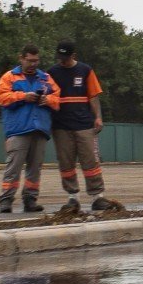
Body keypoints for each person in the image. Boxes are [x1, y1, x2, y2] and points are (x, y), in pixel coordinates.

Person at [48, 40, 112, 210]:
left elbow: (93, 96)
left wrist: (98, 117)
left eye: (66, 57)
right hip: (61, 125)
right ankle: (72, 197)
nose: (62, 61)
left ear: (73, 56)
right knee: (66, 163)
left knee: (90, 161)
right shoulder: (52, 73)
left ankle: (97, 197)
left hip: (84, 124)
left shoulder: (85, 70)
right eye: (60, 57)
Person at [0, 44, 59, 213]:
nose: (33, 64)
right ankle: (6, 199)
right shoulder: (9, 77)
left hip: (40, 129)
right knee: (14, 166)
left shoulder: (45, 78)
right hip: (18, 129)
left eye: (36, 61)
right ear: (21, 58)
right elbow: (2, 98)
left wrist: (48, 100)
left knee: (35, 168)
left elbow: (58, 98)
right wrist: (24, 96)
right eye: (30, 60)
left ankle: (30, 199)